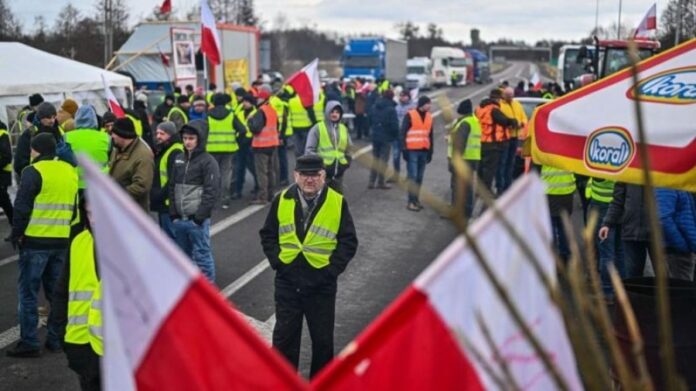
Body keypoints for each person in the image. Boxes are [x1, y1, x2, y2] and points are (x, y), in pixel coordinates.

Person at [259, 155, 358, 378]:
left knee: (322, 343)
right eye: (305, 174)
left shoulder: (337, 201)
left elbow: (348, 242)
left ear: (323, 176)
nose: (310, 179)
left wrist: (331, 271)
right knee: (285, 340)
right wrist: (278, 263)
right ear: (296, 175)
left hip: (321, 284)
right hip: (288, 282)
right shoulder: (282, 199)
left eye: (315, 174)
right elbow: (268, 235)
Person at [7, 133, 78, 358]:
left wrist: (16, 234)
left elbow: (22, 207)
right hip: (61, 241)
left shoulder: (32, 172)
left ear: (36, 150)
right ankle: (56, 338)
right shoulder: (70, 171)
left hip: (35, 241)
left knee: (28, 293)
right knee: (56, 294)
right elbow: (74, 209)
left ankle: (29, 342)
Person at [53, 198, 103, 390]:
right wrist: (62, 337)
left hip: (120, 354)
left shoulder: (132, 246)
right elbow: (62, 292)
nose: (94, 220)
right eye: (89, 214)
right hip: (83, 347)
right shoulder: (79, 242)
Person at [169, 120, 220, 282]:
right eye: (185, 138)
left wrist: (199, 217)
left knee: (203, 257)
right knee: (183, 259)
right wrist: (173, 213)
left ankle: (209, 294)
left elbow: (211, 191)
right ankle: (190, 292)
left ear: (199, 139)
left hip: (196, 220)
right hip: (180, 218)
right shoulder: (178, 158)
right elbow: (171, 186)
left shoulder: (208, 161)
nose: (187, 142)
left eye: (191, 138)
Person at [599, 184, 651, 278]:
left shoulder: (662, 171)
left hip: (657, 234)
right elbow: (618, 201)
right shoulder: (628, 171)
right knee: (633, 278)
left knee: (663, 279)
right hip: (632, 232)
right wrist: (607, 223)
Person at [586, 178, 624, 297]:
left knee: (606, 252)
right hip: (621, 203)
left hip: (602, 204)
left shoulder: (604, 161)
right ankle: (622, 289)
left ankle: (607, 292)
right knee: (620, 250)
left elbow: (597, 176)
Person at [475, 89, 517, 195]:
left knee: (481, 168)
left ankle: (479, 190)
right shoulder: (494, 109)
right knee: (490, 169)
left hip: (481, 141)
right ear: (498, 99)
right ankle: (486, 191)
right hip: (493, 143)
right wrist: (513, 122)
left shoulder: (479, 108)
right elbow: (504, 121)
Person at [108, 118, 154, 212]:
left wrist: (117, 195)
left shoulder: (143, 156)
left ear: (122, 135)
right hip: (118, 210)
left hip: (133, 213)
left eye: (114, 133)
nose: (112, 136)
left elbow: (141, 186)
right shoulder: (117, 149)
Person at [305, 101, 352, 193]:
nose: (335, 114)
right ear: (327, 112)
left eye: (337, 112)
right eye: (332, 111)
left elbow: (349, 148)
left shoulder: (343, 128)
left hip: (338, 173)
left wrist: (346, 162)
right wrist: (321, 165)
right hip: (322, 174)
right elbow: (309, 150)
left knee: (337, 201)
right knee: (321, 201)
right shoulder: (318, 128)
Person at [448, 99, 481, 219]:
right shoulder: (475, 121)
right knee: (468, 186)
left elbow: (459, 144)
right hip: (473, 159)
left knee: (457, 186)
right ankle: (467, 211)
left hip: (463, 160)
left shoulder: (464, 123)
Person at [65, 106, 111, 190]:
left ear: (76, 119)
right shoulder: (106, 138)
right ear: (94, 119)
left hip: (76, 185)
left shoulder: (67, 137)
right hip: (100, 186)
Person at [654, 188, 696, 281]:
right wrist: (681, 245)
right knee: (682, 291)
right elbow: (663, 219)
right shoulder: (666, 187)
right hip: (676, 252)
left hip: (684, 249)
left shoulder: (678, 185)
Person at [401, 96, 434, 211]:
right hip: (412, 150)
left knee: (419, 178)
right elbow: (403, 132)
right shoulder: (410, 115)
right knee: (413, 177)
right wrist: (404, 149)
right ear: (422, 104)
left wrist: (431, 152)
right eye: (428, 104)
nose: (430, 106)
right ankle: (411, 202)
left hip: (424, 150)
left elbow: (430, 135)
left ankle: (416, 200)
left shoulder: (429, 117)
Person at [151, 122, 183, 239]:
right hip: (164, 203)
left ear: (170, 135)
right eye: (157, 133)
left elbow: (173, 179)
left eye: (162, 134)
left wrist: (158, 195)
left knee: (172, 240)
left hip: (169, 205)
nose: (158, 136)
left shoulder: (175, 152)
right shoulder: (165, 149)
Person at [248, 87, 281, 204]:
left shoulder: (260, 111)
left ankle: (263, 197)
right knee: (271, 171)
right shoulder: (272, 110)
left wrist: (249, 121)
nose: (256, 100)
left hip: (261, 146)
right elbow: (277, 126)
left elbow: (255, 129)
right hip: (273, 145)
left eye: (258, 98)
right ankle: (271, 194)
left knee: (262, 172)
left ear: (262, 98)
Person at [207, 93, 239, 209]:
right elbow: (243, 129)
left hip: (211, 149)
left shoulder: (208, 115)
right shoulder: (231, 114)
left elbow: (203, 130)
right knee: (226, 174)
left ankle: (212, 200)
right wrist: (235, 137)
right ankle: (225, 200)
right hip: (228, 149)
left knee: (213, 174)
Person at [541, 165, 576, 261]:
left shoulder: (545, 149)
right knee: (564, 225)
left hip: (549, 190)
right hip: (567, 189)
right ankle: (565, 255)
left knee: (550, 225)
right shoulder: (571, 148)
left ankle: (552, 256)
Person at [497, 87, 527, 193]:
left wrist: (521, 123)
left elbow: (524, 118)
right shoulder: (499, 106)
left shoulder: (517, 105)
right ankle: (501, 188)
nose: (510, 98)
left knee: (511, 163)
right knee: (502, 163)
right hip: (504, 138)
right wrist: (510, 125)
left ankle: (508, 186)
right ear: (503, 95)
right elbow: (500, 122)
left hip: (516, 137)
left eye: (511, 96)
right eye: (508, 96)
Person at [367, 89, 399, 189]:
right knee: (383, 160)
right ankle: (381, 182)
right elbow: (394, 126)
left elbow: (369, 119)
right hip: (386, 137)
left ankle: (371, 181)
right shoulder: (391, 109)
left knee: (375, 159)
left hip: (375, 135)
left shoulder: (375, 106)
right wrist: (395, 136)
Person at [232, 94, 259, 199]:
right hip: (240, 142)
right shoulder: (240, 113)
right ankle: (238, 190)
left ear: (251, 103)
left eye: (246, 101)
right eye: (243, 101)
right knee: (239, 168)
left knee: (253, 167)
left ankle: (258, 187)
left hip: (251, 142)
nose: (244, 103)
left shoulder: (256, 113)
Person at [391, 90, 415, 182]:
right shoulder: (397, 107)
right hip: (397, 135)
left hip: (408, 136)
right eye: (401, 96)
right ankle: (396, 175)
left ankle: (409, 176)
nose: (402, 98)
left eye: (404, 96)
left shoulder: (412, 107)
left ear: (408, 97)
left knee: (408, 157)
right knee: (395, 156)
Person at [287, 86, 315, 156]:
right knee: (306, 147)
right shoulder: (306, 101)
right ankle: (305, 162)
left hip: (295, 127)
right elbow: (311, 114)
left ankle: (298, 162)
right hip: (306, 127)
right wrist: (314, 123)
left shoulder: (290, 101)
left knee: (297, 148)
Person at [0, 120, 13, 228]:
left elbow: (7, 157)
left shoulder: (2, 133)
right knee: (4, 200)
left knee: (4, 200)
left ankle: (16, 226)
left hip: (2, 173)